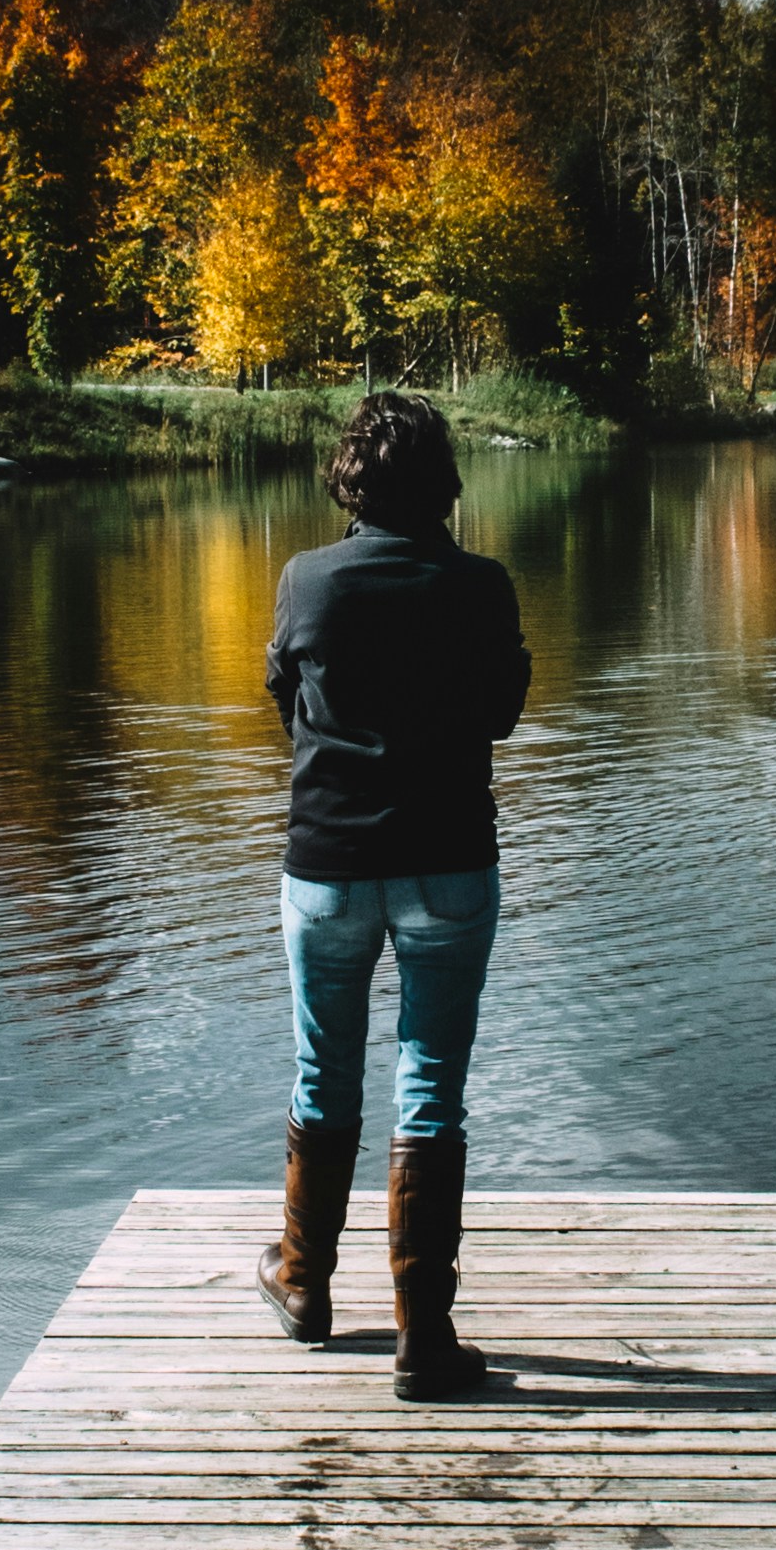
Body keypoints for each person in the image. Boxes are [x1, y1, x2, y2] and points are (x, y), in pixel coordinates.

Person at [257, 388, 532, 1399]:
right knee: (431, 1086)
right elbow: (502, 714)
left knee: (324, 1072)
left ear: (351, 479)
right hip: (450, 860)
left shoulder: (307, 580)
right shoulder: (482, 584)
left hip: (327, 864)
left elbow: (284, 700)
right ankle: (425, 1334)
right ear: (445, 483)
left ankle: (305, 1285)